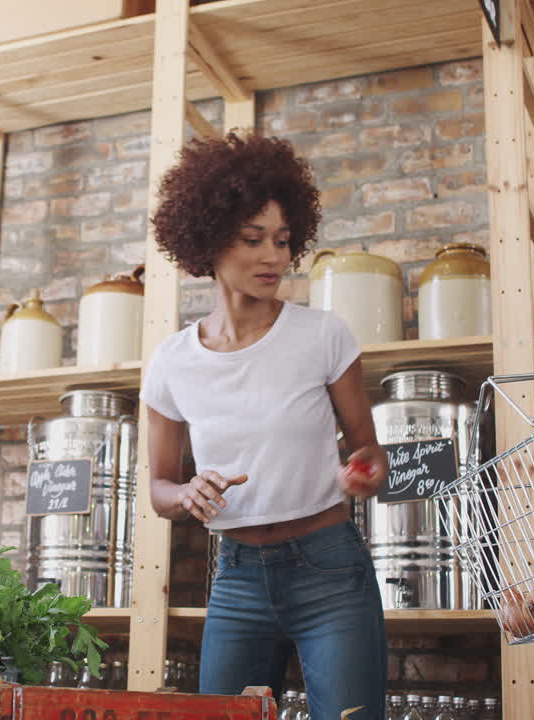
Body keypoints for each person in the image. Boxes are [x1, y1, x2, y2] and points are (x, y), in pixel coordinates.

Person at [139, 133, 390, 720]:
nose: (273, 257)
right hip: (237, 578)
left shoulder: (323, 336)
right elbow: (159, 489)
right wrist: (187, 492)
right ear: (209, 239)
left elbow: (369, 451)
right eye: (253, 239)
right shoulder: (172, 362)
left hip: (330, 569)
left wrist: (366, 471)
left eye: (281, 240)